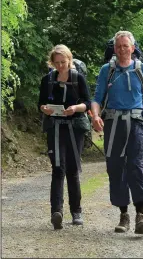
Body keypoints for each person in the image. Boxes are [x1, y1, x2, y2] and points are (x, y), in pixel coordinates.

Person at [91, 31, 143, 234]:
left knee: (136, 167)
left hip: (136, 124)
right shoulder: (107, 70)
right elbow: (97, 97)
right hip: (113, 123)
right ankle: (123, 215)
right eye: (118, 46)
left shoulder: (142, 69)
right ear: (114, 48)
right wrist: (95, 116)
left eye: (125, 46)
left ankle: (141, 213)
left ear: (133, 48)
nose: (122, 49)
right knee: (116, 168)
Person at [38, 44, 91, 230]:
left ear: (70, 60)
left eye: (63, 62)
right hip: (54, 127)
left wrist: (75, 108)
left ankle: (76, 211)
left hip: (74, 127)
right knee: (57, 168)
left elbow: (88, 103)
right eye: (57, 63)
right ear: (51, 63)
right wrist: (45, 108)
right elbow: (41, 103)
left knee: (73, 169)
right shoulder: (48, 80)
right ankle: (56, 212)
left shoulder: (78, 78)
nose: (60, 66)